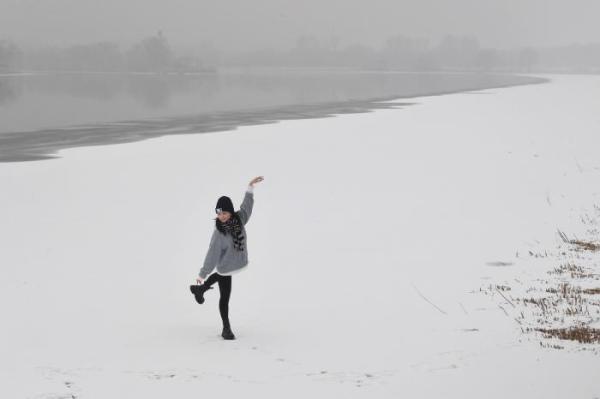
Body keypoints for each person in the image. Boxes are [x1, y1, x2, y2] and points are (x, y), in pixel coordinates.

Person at [190, 176, 264, 340]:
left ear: (231, 212)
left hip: (237, 263)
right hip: (225, 267)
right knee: (225, 297)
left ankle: (200, 290)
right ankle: (226, 328)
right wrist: (203, 274)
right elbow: (212, 255)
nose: (221, 216)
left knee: (222, 284)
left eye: (224, 213)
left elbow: (247, 208)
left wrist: (250, 188)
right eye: (219, 213)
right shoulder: (219, 233)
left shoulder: (239, 220)